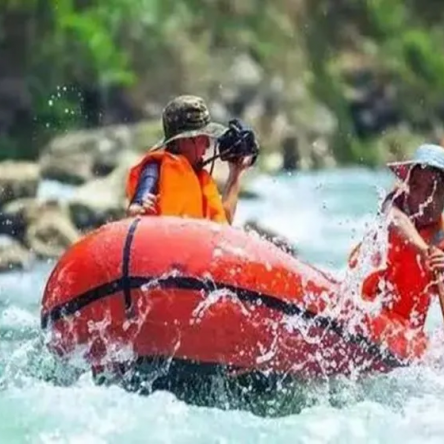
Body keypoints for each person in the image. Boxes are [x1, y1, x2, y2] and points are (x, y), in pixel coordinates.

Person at [348, 143, 444, 330]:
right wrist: (425, 250)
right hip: (362, 306)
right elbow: (394, 218)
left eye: (434, 190)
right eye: (416, 187)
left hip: (404, 333)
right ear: (407, 186)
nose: (424, 198)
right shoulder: (394, 203)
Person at [125, 95, 253, 224]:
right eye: (202, 138)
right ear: (183, 140)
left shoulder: (201, 180)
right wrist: (138, 207)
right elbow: (139, 202)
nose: (208, 145)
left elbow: (223, 225)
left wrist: (235, 173)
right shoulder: (154, 167)